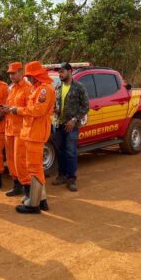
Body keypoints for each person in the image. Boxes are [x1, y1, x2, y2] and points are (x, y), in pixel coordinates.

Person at [3, 61, 56, 214]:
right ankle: (42, 200)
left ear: (37, 75)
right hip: (32, 132)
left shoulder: (44, 90)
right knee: (35, 167)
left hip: (36, 133)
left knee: (34, 168)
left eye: (30, 76)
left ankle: (33, 205)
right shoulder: (39, 88)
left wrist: (17, 110)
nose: (29, 79)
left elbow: (37, 110)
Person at [52, 62, 89, 192]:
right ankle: (61, 175)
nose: (60, 74)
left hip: (71, 126)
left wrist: (74, 120)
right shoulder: (57, 87)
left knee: (71, 152)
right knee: (60, 152)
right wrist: (55, 110)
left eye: (62, 71)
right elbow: (56, 105)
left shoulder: (79, 87)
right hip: (58, 125)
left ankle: (71, 179)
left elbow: (85, 107)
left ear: (70, 71)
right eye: (59, 72)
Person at [4, 62, 31, 197]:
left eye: (13, 73)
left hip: (21, 130)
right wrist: (6, 109)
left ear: (21, 72)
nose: (11, 76)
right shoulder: (12, 88)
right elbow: (10, 106)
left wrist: (16, 110)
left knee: (20, 160)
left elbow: (30, 110)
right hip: (10, 128)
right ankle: (17, 185)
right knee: (11, 160)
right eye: (10, 74)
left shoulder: (28, 88)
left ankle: (27, 188)